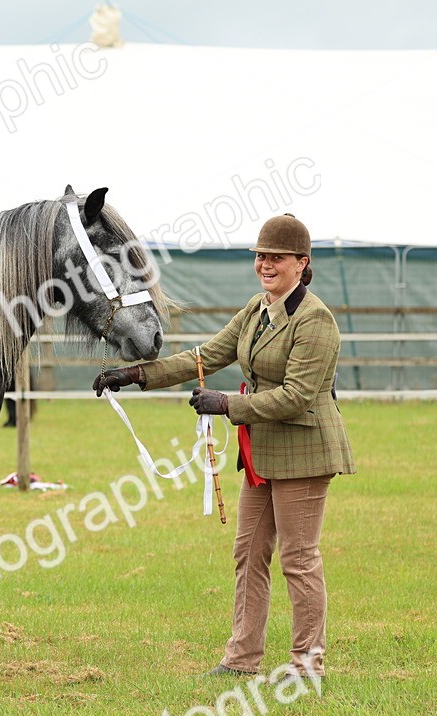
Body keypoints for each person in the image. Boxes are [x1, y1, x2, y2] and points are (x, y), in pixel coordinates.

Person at [94, 214, 355, 681]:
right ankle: (241, 659)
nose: (265, 264)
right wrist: (135, 375)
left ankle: (307, 665)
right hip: (263, 452)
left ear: (301, 263)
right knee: (248, 553)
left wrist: (227, 404)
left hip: (306, 451)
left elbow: (296, 397)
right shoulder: (256, 309)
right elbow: (204, 357)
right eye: (260, 256)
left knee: (298, 560)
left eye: (276, 257)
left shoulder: (315, 320)